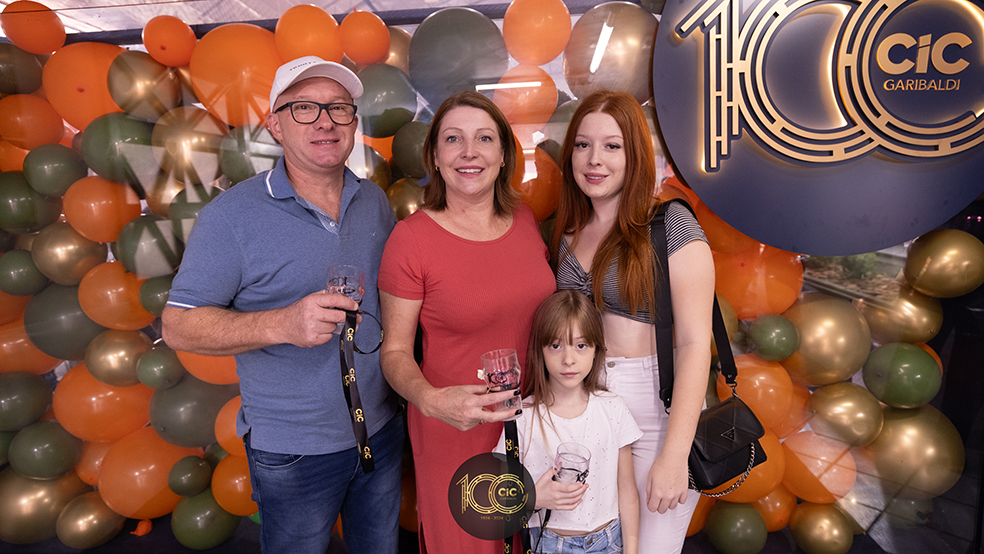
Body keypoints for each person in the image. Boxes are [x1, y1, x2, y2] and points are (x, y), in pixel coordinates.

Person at [161, 56, 403, 554]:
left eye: (338, 108)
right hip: (295, 452)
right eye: (305, 108)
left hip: (381, 430)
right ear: (274, 124)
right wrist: (282, 324)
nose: (325, 121)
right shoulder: (231, 217)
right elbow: (179, 326)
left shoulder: (374, 202)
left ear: (353, 123)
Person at [378, 90, 556, 554]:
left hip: (537, 423)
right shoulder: (411, 240)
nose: (469, 152)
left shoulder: (524, 219)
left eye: (484, 138)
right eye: (453, 139)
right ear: (435, 158)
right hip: (456, 427)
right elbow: (394, 352)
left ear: (504, 155)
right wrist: (431, 400)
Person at [551, 90, 715, 554]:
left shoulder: (670, 225)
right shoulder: (566, 232)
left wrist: (675, 454)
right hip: (584, 403)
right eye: (582, 145)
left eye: (612, 146)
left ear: (635, 154)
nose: (594, 159)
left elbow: (695, 343)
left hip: (655, 407)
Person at [495, 289, 642, 554]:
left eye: (581, 345)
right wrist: (534, 498)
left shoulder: (613, 408)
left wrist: (631, 550)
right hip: (550, 544)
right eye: (555, 346)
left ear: (596, 349)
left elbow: (627, 489)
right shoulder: (523, 417)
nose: (569, 359)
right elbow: (499, 497)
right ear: (540, 350)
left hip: (609, 541)